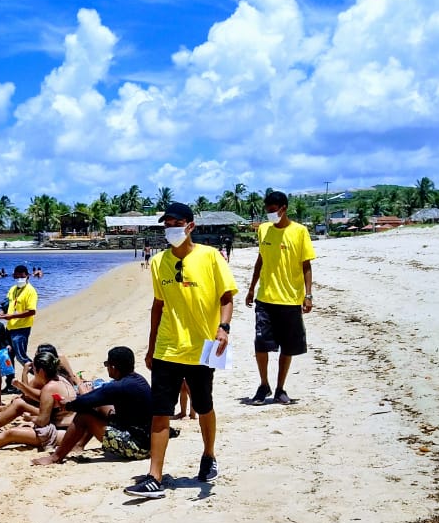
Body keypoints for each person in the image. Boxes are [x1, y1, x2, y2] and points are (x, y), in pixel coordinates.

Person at [124, 202, 237, 499]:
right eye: (166, 224)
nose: (170, 229)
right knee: (160, 413)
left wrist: (223, 328)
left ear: (190, 226)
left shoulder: (211, 257)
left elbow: (226, 297)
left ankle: (209, 455)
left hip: (202, 348)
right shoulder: (159, 262)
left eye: (175, 223)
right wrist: (150, 348)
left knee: (203, 407)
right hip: (167, 348)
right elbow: (158, 306)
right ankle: (154, 476)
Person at [244, 190, 315, 405]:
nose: (269, 214)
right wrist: (251, 288)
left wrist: (308, 294)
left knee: (288, 347)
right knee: (261, 344)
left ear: (283, 209)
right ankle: (263, 385)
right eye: (267, 210)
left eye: (273, 210)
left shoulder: (300, 232)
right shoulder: (264, 230)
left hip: (291, 300)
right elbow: (261, 260)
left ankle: (280, 388)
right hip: (265, 298)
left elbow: (306, 265)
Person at [33, 346, 152, 466]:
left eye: (107, 364)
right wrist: (73, 402)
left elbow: (88, 400)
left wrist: (68, 405)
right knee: (100, 407)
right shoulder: (137, 380)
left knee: (84, 416)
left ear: (113, 367)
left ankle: (56, 457)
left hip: (138, 448)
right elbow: (95, 397)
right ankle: (78, 445)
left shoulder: (119, 386)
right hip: (147, 440)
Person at [0, 351, 75, 455]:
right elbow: (43, 397)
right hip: (71, 427)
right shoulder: (61, 380)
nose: (33, 372)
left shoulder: (49, 388)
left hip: (62, 433)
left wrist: (30, 418)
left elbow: (43, 421)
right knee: (19, 404)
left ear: (41, 371)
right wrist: (22, 387)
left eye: (34, 370)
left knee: (11, 433)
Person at [0, 264, 38, 391]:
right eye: (18, 275)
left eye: (23, 275)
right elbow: (5, 303)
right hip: (9, 328)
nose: (20, 277)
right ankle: (10, 384)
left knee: (21, 357)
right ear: (14, 276)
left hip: (22, 329)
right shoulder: (13, 289)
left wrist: (12, 316)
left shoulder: (30, 291)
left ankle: (42, 377)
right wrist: (0, 312)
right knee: (7, 356)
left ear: (27, 276)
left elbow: (32, 311)